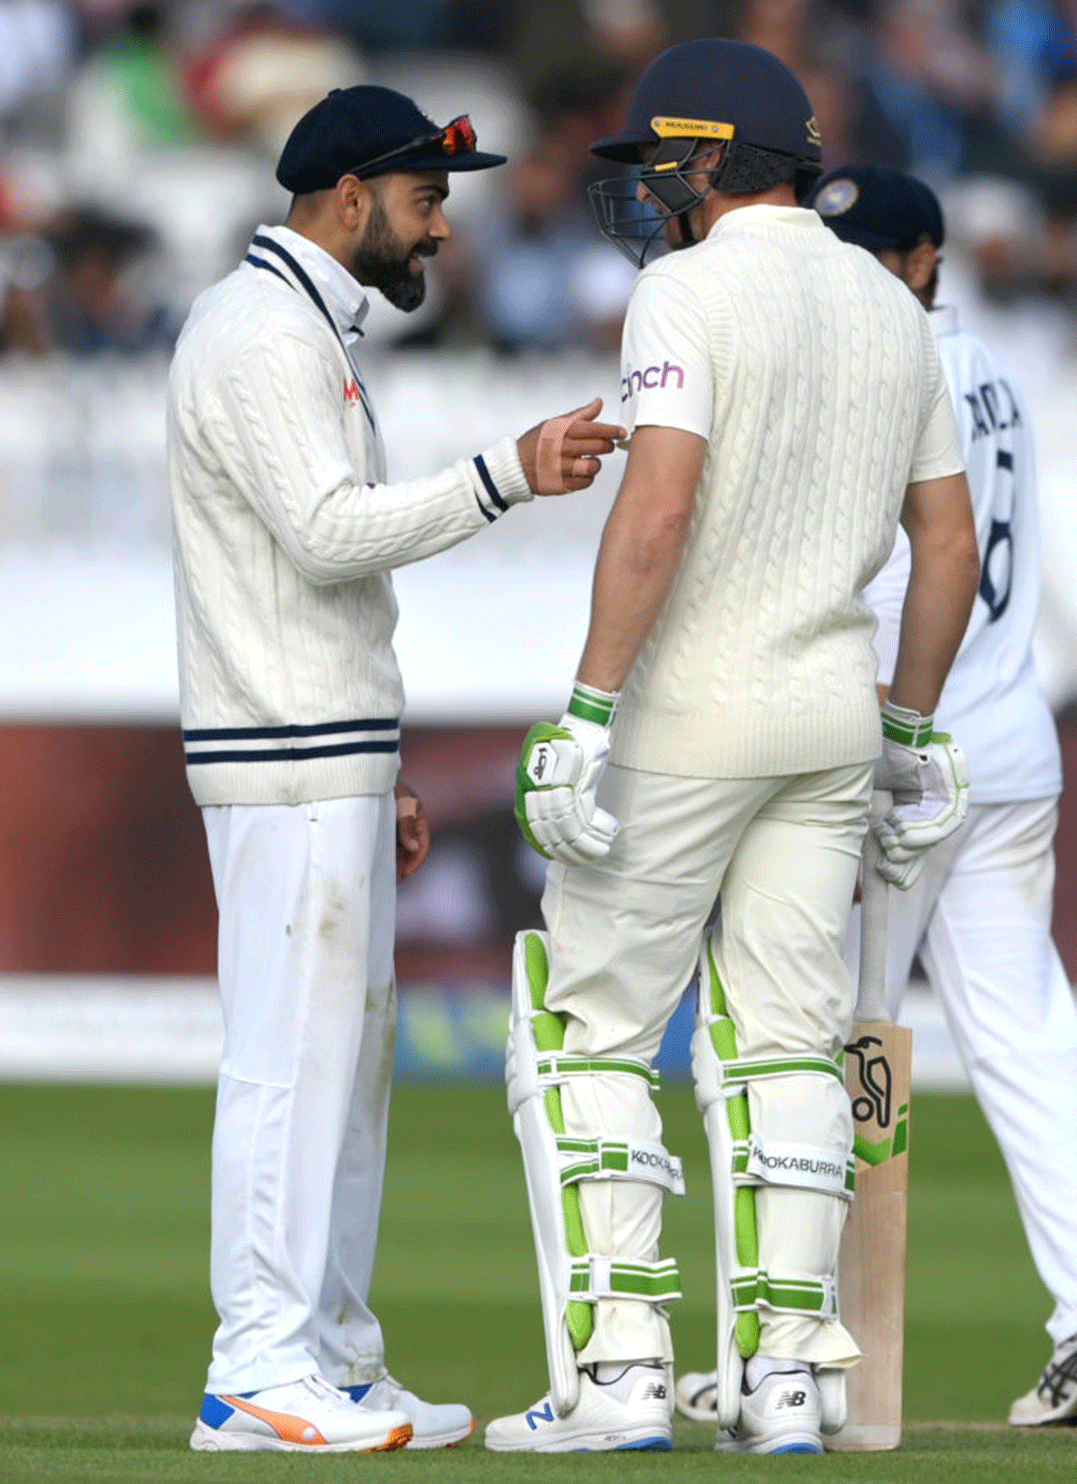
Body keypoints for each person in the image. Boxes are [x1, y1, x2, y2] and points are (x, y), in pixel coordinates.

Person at [484, 40, 980, 1456]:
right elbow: (946, 540)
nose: (648, 193)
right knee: (787, 1049)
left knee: (594, 1030)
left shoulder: (684, 288)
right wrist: (910, 725)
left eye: (659, 165)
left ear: (711, 158)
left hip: (694, 713)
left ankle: (625, 1368)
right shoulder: (894, 310)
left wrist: (586, 709)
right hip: (830, 718)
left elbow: (658, 513)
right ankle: (782, 1382)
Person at [166, 84, 623, 1455]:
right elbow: (322, 536)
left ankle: (329, 1351)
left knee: (343, 1068)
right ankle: (256, 1362)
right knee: (288, 1065)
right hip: (284, 755)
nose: (440, 236)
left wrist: (386, 760)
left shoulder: (303, 325)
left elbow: (322, 582)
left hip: (325, 748)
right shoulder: (259, 332)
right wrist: (507, 473)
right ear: (351, 198)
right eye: (426, 205)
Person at [676, 163, 1077, 1432]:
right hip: (1011, 742)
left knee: (817, 1045)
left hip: (898, 750)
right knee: (1028, 1038)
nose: (859, 279)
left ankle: (787, 1348)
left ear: (926, 260)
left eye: (878, 257)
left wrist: (881, 733)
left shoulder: (880, 369)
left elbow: (889, 572)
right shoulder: (993, 365)